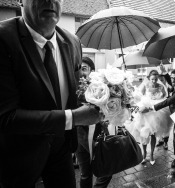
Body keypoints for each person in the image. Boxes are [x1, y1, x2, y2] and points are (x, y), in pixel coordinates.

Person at [0, 1, 103, 187]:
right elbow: (5, 117)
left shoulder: (73, 42)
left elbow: (77, 92)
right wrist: (72, 118)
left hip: (62, 151)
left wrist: (106, 99)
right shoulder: (3, 39)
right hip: (19, 157)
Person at [142, 69, 175, 179]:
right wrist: (167, 75)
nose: (173, 80)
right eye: (172, 77)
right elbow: (171, 83)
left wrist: (152, 107)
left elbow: (168, 101)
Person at [76, 57, 112, 188]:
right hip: (80, 136)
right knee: (85, 173)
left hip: (98, 134)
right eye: (79, 69)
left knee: (107, 170)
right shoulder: (74, 87)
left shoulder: (101, 88)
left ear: (92, 71)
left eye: (84, 68)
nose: (81, 72)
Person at [132, 70, 173, 165]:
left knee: (153, 134)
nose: (154, 81)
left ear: (158, 78)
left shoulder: (161, 87)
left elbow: (164, 98)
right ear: (149, 78)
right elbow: (139, 96)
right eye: (152, 79)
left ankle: (151, 154)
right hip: (145, 112)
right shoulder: (145, 86)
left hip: (156, 113)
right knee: (143, 132)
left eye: (155, 79)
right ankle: (144, 153)